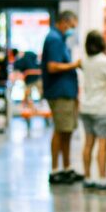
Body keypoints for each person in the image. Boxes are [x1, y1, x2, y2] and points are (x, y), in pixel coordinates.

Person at [41, 10, 81, 184]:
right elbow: (52, 66)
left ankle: (66, 167)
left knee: (67, 131)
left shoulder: (60, 39)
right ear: (64, 22)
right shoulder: (54, 40)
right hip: (59, 93)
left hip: (66, 92)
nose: (72, 30)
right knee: (60, 130)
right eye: (71, 26)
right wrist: (74, 65)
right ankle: (55, 169)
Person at [79, 30, 106, 190]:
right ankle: (102, 179)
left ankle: (88, 178)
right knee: (103, 144)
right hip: (102, 108)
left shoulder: (84, 61)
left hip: (86, 106)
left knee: (88, 143)